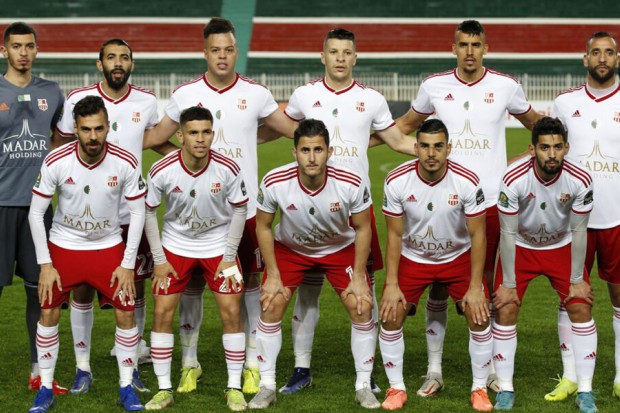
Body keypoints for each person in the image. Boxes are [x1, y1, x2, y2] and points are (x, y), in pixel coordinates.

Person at [145, 17, 296, 394]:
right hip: (198, 213)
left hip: (243, 211)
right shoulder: (185, 95)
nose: (223, 56)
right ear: (205, 52)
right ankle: (190, 362)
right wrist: (186, 166)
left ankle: (250, 362)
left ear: (236, 51)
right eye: (216, 50)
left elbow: (291, 129)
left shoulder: (257, 94)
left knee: (249, 285)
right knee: (191, 287)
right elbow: (158, 139)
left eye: (229, 49)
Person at [392, 19, 542, 396]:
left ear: (485, 48)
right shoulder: (434, 86)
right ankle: (434, 370)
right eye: (464, 44)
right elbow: (403, 126)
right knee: (437, 289)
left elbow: (536, 123)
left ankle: (489, 370)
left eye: (476, 44)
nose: (470, 51)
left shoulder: (506, 85)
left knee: (484, 292)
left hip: (490, 203)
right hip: (438, 199)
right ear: (454, 48)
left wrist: (549, 146)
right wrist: (358, 140)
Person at [271, 27, 415, 394]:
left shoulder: (372, 99)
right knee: (306, 294)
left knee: (362, 295)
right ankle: (301, 369)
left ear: (355, 57)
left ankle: (368, 373)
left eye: (346, 52)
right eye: (333, 51)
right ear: (323, 56)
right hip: (308, 208)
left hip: (354, 213)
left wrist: (446, 151)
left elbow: (397, 140)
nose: (339, 57)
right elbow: (282, 129)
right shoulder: (305, 95)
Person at [54, 38, 168, 395]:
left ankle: (130, 360)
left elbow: (153, 143)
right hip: (87, 219)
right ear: (99, 64)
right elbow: (59, 147)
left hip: (131, 213)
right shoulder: (78, 99)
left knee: (134, 290)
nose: (118, 63)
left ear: (132, 64)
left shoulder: (147, 101)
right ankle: (82, 367)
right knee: (82, 291)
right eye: (111, 57)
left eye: (125, 57)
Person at [27, 95, 146, 412]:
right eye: (86, 129)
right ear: (75, 129)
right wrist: (45, 264)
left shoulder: (126, 162)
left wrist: (127, 264)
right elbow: (36, 213)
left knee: (126, 313)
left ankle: (125, 387)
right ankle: (47, 387)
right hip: (65, 247)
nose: (93, 137)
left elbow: (138, 214)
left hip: (108, 247)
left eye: (99, 129)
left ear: (108, 126)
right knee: (49, 313)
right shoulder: (56, 160)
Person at [249, 119, 378, 409]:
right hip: (292, 248)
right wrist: (272, 274)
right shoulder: (274, 181)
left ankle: (363, 384)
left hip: (338, 247)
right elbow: (264, 226)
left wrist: (358, 276)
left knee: (362, 304)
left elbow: (363, 228)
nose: (311, 157)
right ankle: (266, 385)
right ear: (294, 152)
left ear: (329, 152)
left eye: (318, 149)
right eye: (305, 150)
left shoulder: (351, 182)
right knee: (271, 302)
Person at [380, 119, 492, 411]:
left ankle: (479, 388)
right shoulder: (396, 180)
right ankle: (396, 388)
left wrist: (476, 286)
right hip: (413, 258)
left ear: (448, 149)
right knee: (391, 315)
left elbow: (479, 235)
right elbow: (393, 234)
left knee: (479, 315)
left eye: (438, 146)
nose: (431, 153)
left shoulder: (467, 180)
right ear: (415, 147)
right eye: (425, 146)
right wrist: (391, 284)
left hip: (457, 258)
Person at [143, 106, 249, 411]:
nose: (200, 139)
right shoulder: (162, 169)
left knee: (232, 313)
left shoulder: (227, 168)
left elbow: (240, 209)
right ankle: (164, 389)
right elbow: (149, 212)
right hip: (176, 247)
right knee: (162, 313)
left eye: (205, 132)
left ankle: (234, 387)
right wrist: (160, 260)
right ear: (180, 135)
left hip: (218, 248)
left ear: (212, 135)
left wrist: (229, 257)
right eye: (193, 133)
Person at [492, 117, 597, 412]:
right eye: (544, 147)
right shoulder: (513, 179)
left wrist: (577, 278)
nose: (551, 154)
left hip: (560, 245)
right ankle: (505, 389)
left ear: (566, 147)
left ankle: (585, 391)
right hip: (521, 246)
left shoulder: (581, 179)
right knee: (506, 307)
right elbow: (508, 232)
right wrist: (509, 285)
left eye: (557, 147)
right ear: (532, 149)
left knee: (580, 304)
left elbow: (579, 231)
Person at [551, 31, 620, 403]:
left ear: (617, 58)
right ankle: (571, 376)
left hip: (618, 216)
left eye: (609, 52)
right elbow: (549, 152)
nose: (603, 58)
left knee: (619, 297)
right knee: (569, 298)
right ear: (585, 58)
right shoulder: (564, 103)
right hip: (571, 219)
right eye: (596, 52)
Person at [0, 21, 67, 395]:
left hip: (37, 210)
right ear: (4, 51)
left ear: (36, 50)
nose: (23, 52)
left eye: (29, 46)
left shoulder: (51, 92)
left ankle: (38, 370)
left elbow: (61, 140)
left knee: (38, 293)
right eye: (16, 46)